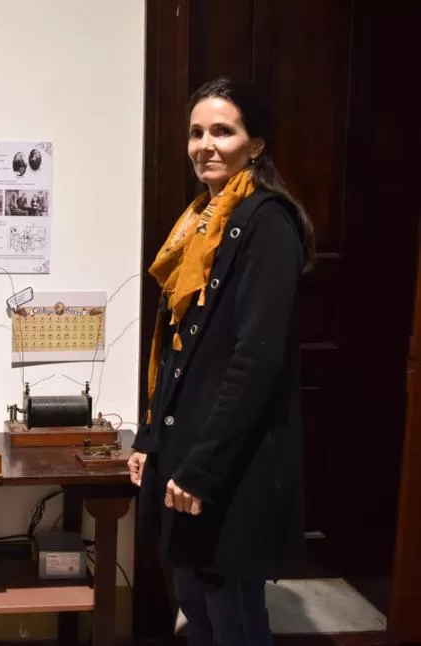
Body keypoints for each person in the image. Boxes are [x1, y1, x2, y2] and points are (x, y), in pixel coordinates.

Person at [128, 77, 315, 646]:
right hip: (187, 451)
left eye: (222, 131)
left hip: (231, 463)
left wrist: (203, 468)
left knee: (232, 612)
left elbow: (256, 362)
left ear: (255, 144)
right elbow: (178, 349)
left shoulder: (267, 223)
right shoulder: (199, 221)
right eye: (196, 132)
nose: (205, 144)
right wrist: (148, 438)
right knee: (196, 605)